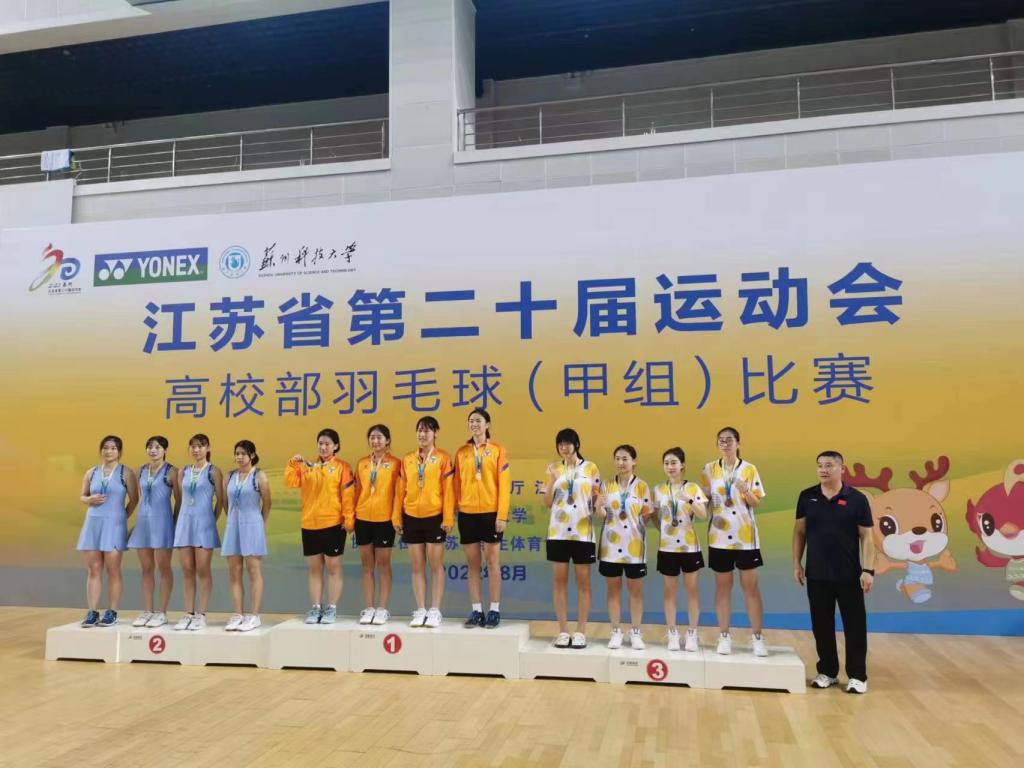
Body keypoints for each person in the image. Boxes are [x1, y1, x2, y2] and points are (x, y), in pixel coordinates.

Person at [793, 450, 875, 694]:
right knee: (821, 625)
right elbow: (799, 532)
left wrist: (868, 570)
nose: (823, 470)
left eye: (829, 465)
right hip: (817, 574)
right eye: (820, 465)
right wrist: (797, 563)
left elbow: (867, 537)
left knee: (854, 626)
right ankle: (827, 672)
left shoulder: (857, 499)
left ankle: (857, 676)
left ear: (842, 469)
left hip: (849, 575)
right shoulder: (807, 496)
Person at [701, 426, 768, 656]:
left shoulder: (749, 469)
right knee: (722, 587)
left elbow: (756, 502)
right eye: (721, 440)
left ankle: (757, 637)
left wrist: (746, 491)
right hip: (718, 537)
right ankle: (724, 636)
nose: (725, 443)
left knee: (751, 587)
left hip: (745, 537)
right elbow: (705, 502)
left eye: (729, 440)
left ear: (738, 443)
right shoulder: (709, 469)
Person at [285, 428, 355, 625]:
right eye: (321, 443)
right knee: (315, 569)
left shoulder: (342, 467)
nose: (323, 447)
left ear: (336, 446)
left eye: (327, 444)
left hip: (333, 523)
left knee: (333, 568)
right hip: (310, 523)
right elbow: (290, 481)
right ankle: (316, 608)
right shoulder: (308, 467)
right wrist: (292, 464)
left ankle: (331, 608)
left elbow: (348, 495)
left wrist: (349, 519)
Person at [543, 428, 601, 649]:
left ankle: (581, 631)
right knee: (559, 582)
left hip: (582, 533)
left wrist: (600, 505)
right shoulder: (553, 468)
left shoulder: (591, 467)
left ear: (576, 444)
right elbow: (547, 502)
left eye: (567, 443)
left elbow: (596, 499)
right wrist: (552, 480)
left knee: (583, 583)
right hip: (558, 532)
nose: (563, 448)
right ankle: (563, 631)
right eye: (560, 444)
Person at [454, 408, 511, 629]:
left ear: (487, 424)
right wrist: (458, 508)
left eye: (478, 421)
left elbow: (504, 485)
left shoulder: (497, 450)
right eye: (471, 421)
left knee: (492, 562)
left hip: (490, 513)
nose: (474, 424)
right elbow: (456, 485)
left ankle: (494, 610)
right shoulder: (462, 452)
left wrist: (502, 515)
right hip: (467, 513)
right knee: (473, 564)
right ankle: (477, 610)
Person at [395, 417, 454, 628]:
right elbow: (399, 491)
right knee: (417, 566)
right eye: (419, 430)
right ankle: (420, 609)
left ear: (435, 433)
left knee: (436, 566)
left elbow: (449, 491)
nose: (422, 434)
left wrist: (448, 517)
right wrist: (397, 517)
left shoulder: (443, 458)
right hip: (411, 516)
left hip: (435, 516)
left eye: (427, 431)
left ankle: (435, 610)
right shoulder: (408, 459)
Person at [77, 436, 139, 627]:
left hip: (114, 526)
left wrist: (121, 518)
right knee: (94, 569)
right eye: (105, 447)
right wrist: (89, 500)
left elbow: (134, 499)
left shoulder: (126, 473)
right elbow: (82, 496)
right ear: (101, 450)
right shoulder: (91, 472)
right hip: (93, 524)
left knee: (113, 570)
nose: (109, 451)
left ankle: (112, 612)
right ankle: (92, 611)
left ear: (119, 452)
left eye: (113, 448)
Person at [596, 445, 651, 650]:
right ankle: (616, 631)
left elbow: (647, 515)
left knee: (635, 591)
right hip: (610, 546)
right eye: (617, 459)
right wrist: (599, 506)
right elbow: (601, 515)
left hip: (634, 547)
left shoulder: (642, 486)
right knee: (613, 590)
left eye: (625, 458)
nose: (621, 462)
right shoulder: (606, 485)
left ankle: (636, 632)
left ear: (633, 461)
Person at [653, 447, 708, 652]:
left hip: (689, 547)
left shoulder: (692, 487)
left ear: (682, 465)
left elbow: (703, 515)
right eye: (666, 463)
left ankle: (692, 632)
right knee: (670, 592)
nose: (670, 467)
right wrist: (663, 530)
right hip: (667, 548)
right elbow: (653, 514)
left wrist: (689, 500)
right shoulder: (658, 489)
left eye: (674, 462)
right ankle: (672, 633)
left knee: (692, 591)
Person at [172, 434, 224, 631]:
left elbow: (221, 500)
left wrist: (211, 520)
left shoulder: (213, 472)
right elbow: (180, 499)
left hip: (204, 524)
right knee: (187, 569)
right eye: (193, 446)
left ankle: (201, 614)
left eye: (200, 446)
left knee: (202, 569)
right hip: (185, 524)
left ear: (208, 448)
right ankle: (189, 613)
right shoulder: (183, 471)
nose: (196, 450)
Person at [127, 436, 178, 629]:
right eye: (149, 447)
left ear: (165, 450)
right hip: (144, 524)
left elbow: (179, 500)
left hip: (163, 523)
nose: (153, 450)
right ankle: (148, 610)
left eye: (157, 447)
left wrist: (175, 524)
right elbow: (139, 499)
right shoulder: (141, 471)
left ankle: (162, 612)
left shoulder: (172, 471)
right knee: (146, 569)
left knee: (164, 568)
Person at [353, 425, 401, 626]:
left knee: (383, 564)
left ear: (387, 440)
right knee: (367, 565)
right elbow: (357, 491)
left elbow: (399, 493)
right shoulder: (362, 463)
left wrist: (396, 518)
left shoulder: (396, 464)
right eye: (372, 437)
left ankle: (382, 608)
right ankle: (369, 607)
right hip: (363, 518)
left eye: (379, 437)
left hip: (385, 519)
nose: (375, 441)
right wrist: (352, 517)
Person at [222, 440, 271, 632]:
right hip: (233, 525)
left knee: (253, 570)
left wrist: (259, 523)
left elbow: (267, 503)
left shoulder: (259, 476)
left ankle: (254, 615)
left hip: (253, 525)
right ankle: (238, 614)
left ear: (252, 455)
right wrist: (233, 519)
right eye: (237, 453)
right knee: (234, 571)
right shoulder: (229, 476)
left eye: (243, 453)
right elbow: (225, 502)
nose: (239, 457)